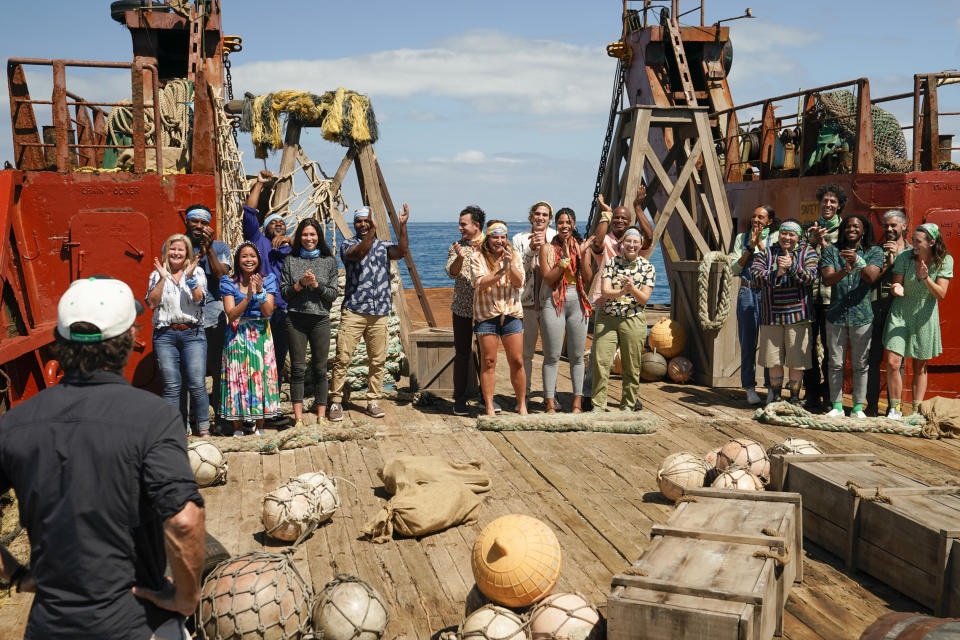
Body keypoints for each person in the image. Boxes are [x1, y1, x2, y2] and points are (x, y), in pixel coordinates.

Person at [0, 276, 204, 639]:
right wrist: (187, 598)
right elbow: (185, 521)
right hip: (136, 622)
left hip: (50, 626)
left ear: (60, 343)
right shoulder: (153, 418)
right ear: (128, 342)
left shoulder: (15, 424)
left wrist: (16, 573)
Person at [328, 205, 410, 422]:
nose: (363, 224)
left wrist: (402, 226)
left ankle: (373, 400)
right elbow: (359, 253)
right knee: (342, 358)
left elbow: (401, 252)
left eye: (367, 221)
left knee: (378, 360)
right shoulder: (347, 245)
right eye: (359, 221)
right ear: (355, 224)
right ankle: (335, 401)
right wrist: (373, 231)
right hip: (354, 311)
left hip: (379, 312)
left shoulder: (384, 247)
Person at [582, 188, 655, 410]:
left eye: (625, 219)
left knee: (631, 361)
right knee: (599, 358)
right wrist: (606, 213)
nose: (620, 221)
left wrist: (638, 207)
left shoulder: (640, 254)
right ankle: (591, 396)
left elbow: (648, 237)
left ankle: (629, 399)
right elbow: (598, 241)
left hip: (631, 313)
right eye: (617, 218)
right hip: (606, 308)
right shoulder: (606, 244)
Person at [883, 222, 953, 419]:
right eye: (912, 239)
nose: (913, 243)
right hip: (900, 313)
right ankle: (894, 408)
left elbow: (940, 294)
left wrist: (925, 278)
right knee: (892, 362)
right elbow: (896, 283)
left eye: (917, 241)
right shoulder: (905, 257)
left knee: (919, 366)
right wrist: (896, 288)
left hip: (925, 315)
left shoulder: (944, 261)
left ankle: (916, 411)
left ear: (931, 242)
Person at [145, 233, 211, 436]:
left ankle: (204, 429)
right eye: (172, 249)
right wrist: (163, 279)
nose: (176, 253)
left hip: (193, 334)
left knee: (197, 383)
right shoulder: (156, 275)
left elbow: (200, 300)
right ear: (167, 252)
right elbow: (151, 303)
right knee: (172, 385)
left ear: (187, 253)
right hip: (165, 335)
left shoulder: (197, 272)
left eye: (180, 249)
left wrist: (190, 279)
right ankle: (175, 430)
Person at [819, 214, 883, 418]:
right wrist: (845, 271)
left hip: (862, 316)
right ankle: (837, 406)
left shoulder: (874, 251)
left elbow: (872, 277)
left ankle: (857, 407)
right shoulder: (831, 250)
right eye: (847, 226)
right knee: (835, 363)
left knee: (860, 364)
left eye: (856, 226)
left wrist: (858, 261)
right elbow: (828, 279)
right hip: (836, 315)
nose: (851, 229)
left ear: (864, 230)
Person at [751, 219, 819, 404]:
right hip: (771, 316)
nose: (787, 237)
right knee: (773, 360)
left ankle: (795, 399)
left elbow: (811, 277)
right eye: (784, 233)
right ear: (778, 234)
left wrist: (792, 268)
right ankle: (776, 396)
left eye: (792, 234)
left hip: (799, 317)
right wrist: (777, 273)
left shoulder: (808, 252)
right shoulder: (766, 252)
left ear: (798, 237)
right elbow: (755, 275)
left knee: (797, 361)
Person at [280, 218, 339, 426]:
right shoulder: (290, 260)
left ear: (319, 237)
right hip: (295, 319)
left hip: (320, 320)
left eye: (312, 234)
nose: (308, 238)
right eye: (305, 235)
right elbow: (284, 293)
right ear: (299, 237)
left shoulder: (329, 261)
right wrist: (299, 285)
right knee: (297, 369)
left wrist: (315, 285)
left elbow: (332, 294)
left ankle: (321, 416)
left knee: (320, 369)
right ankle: (298, 418)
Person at [220, 242, 282, 435]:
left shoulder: (268, 279)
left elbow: (267, 312)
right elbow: (231, 314)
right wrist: (247, 297)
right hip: (237, 333)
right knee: (237, 376)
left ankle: (260, 425)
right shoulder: (228, 282)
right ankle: (237, 425)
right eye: (244, 256)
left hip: (261, 333)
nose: (249, 260)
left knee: (260, 377)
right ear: (238, 261)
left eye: (252, 256)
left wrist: (261, 293)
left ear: (258, 259)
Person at [539, 207, 593, 413]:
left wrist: (584, 253)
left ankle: (577, 404)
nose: (564, 226)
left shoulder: (579, 246)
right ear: (556, 225)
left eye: (568, 222)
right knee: (551, 356)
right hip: (554, 300)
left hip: (576, 299)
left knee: (577, 356)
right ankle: (550, 404)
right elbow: (548, 278)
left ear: (573, 225)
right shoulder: (547, 249)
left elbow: (587, 277)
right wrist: (562, 264)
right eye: (560, 222)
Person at [243, 170, 293, 392]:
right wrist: (259, 185)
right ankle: (255, 401)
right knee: (256, 358)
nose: (279, 225)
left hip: (284, 311)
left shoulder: (293, 248)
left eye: (282, 223)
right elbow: (249, 212)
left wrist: (291, 240)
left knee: (278, 360)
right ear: (265, 227)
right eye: (274, 223)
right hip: (260, 310)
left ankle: (273, 403)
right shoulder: (258, 240)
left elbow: (321, 251)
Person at [183, 203, 231, 429]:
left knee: (219, 370)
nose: (199, 227)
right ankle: (194, 420)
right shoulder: (176, 245)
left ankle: (221, 418)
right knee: (192, 373)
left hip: (215, 318)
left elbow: (221, 276)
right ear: (187, 221)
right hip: (187, 320)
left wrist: (209, 249)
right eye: (195, 221)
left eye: (204, 223)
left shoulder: (220, 246)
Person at [472, 220, 527, 416]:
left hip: (511, 313)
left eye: (503, 237)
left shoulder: (515, 256)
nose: (499, 241)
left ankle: (521, 405)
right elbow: (479, 283)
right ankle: (489, 406)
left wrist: (509, 266)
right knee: (488, 361)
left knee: (517, 361)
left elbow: (520, 282)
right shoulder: (478, 256)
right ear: (488, 239)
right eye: (495, 237)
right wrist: (500, 271)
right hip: (487, 315)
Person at [729, 205, 779, 405]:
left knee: (769, 344)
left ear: (769, 221)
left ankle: (770, 388)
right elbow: (734, 267)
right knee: (747, 342)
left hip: (767, 293)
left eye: (761, 217)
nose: (756, 220)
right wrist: (749, 248)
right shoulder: (742, 238)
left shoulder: (775, 238)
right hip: (747, 291)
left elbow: (773, 265)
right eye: (754, 216)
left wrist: (759, 245)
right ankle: (749, 387)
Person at [802, 184, 845, 411]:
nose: (828, 205)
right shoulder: (809, 228)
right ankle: (811, 394)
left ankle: (829, 396)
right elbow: (799, 254)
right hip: (809, 297)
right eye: (825, 201)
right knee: (808, 348)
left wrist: (824, 243)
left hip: (831, 299)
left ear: (839, 206)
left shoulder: (846, 229)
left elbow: (841, 262)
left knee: (831, 349)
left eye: (833, 202)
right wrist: (811, 241)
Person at [865, 210, 910, 416]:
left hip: (900, 313)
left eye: (893, 225)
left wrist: (898, 258)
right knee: (872, 360)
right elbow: (870, 279)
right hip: (877, 310)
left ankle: (894, 407)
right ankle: (872, 405)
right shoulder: (876, 252)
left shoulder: (912, 251)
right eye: (886, 226)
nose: (890, 229)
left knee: (896, 363)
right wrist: (887, 262)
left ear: (904, 226)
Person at [512, 201, 556, 399]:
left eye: (545, 215)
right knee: (525, 354)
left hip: (551, 303)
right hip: (526, 303)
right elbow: (517, 270)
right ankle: (524, 396)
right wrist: (530, 249)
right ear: (531, 216)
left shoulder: (556, 237)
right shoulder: (518, 239)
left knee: (551, 354)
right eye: (537, 214)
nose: (540, 218)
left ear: (550, 219)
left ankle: (550, 396)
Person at [445, 205, 485, 416]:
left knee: (486, 354)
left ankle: (485, 397)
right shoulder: (456, 246)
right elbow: (451, 273)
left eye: (463, 224)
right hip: (462, 307)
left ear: (476, 225)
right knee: (462, 353)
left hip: (487, 308)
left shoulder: (491, 244)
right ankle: (459, 398)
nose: (459, 227)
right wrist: (460, 257)